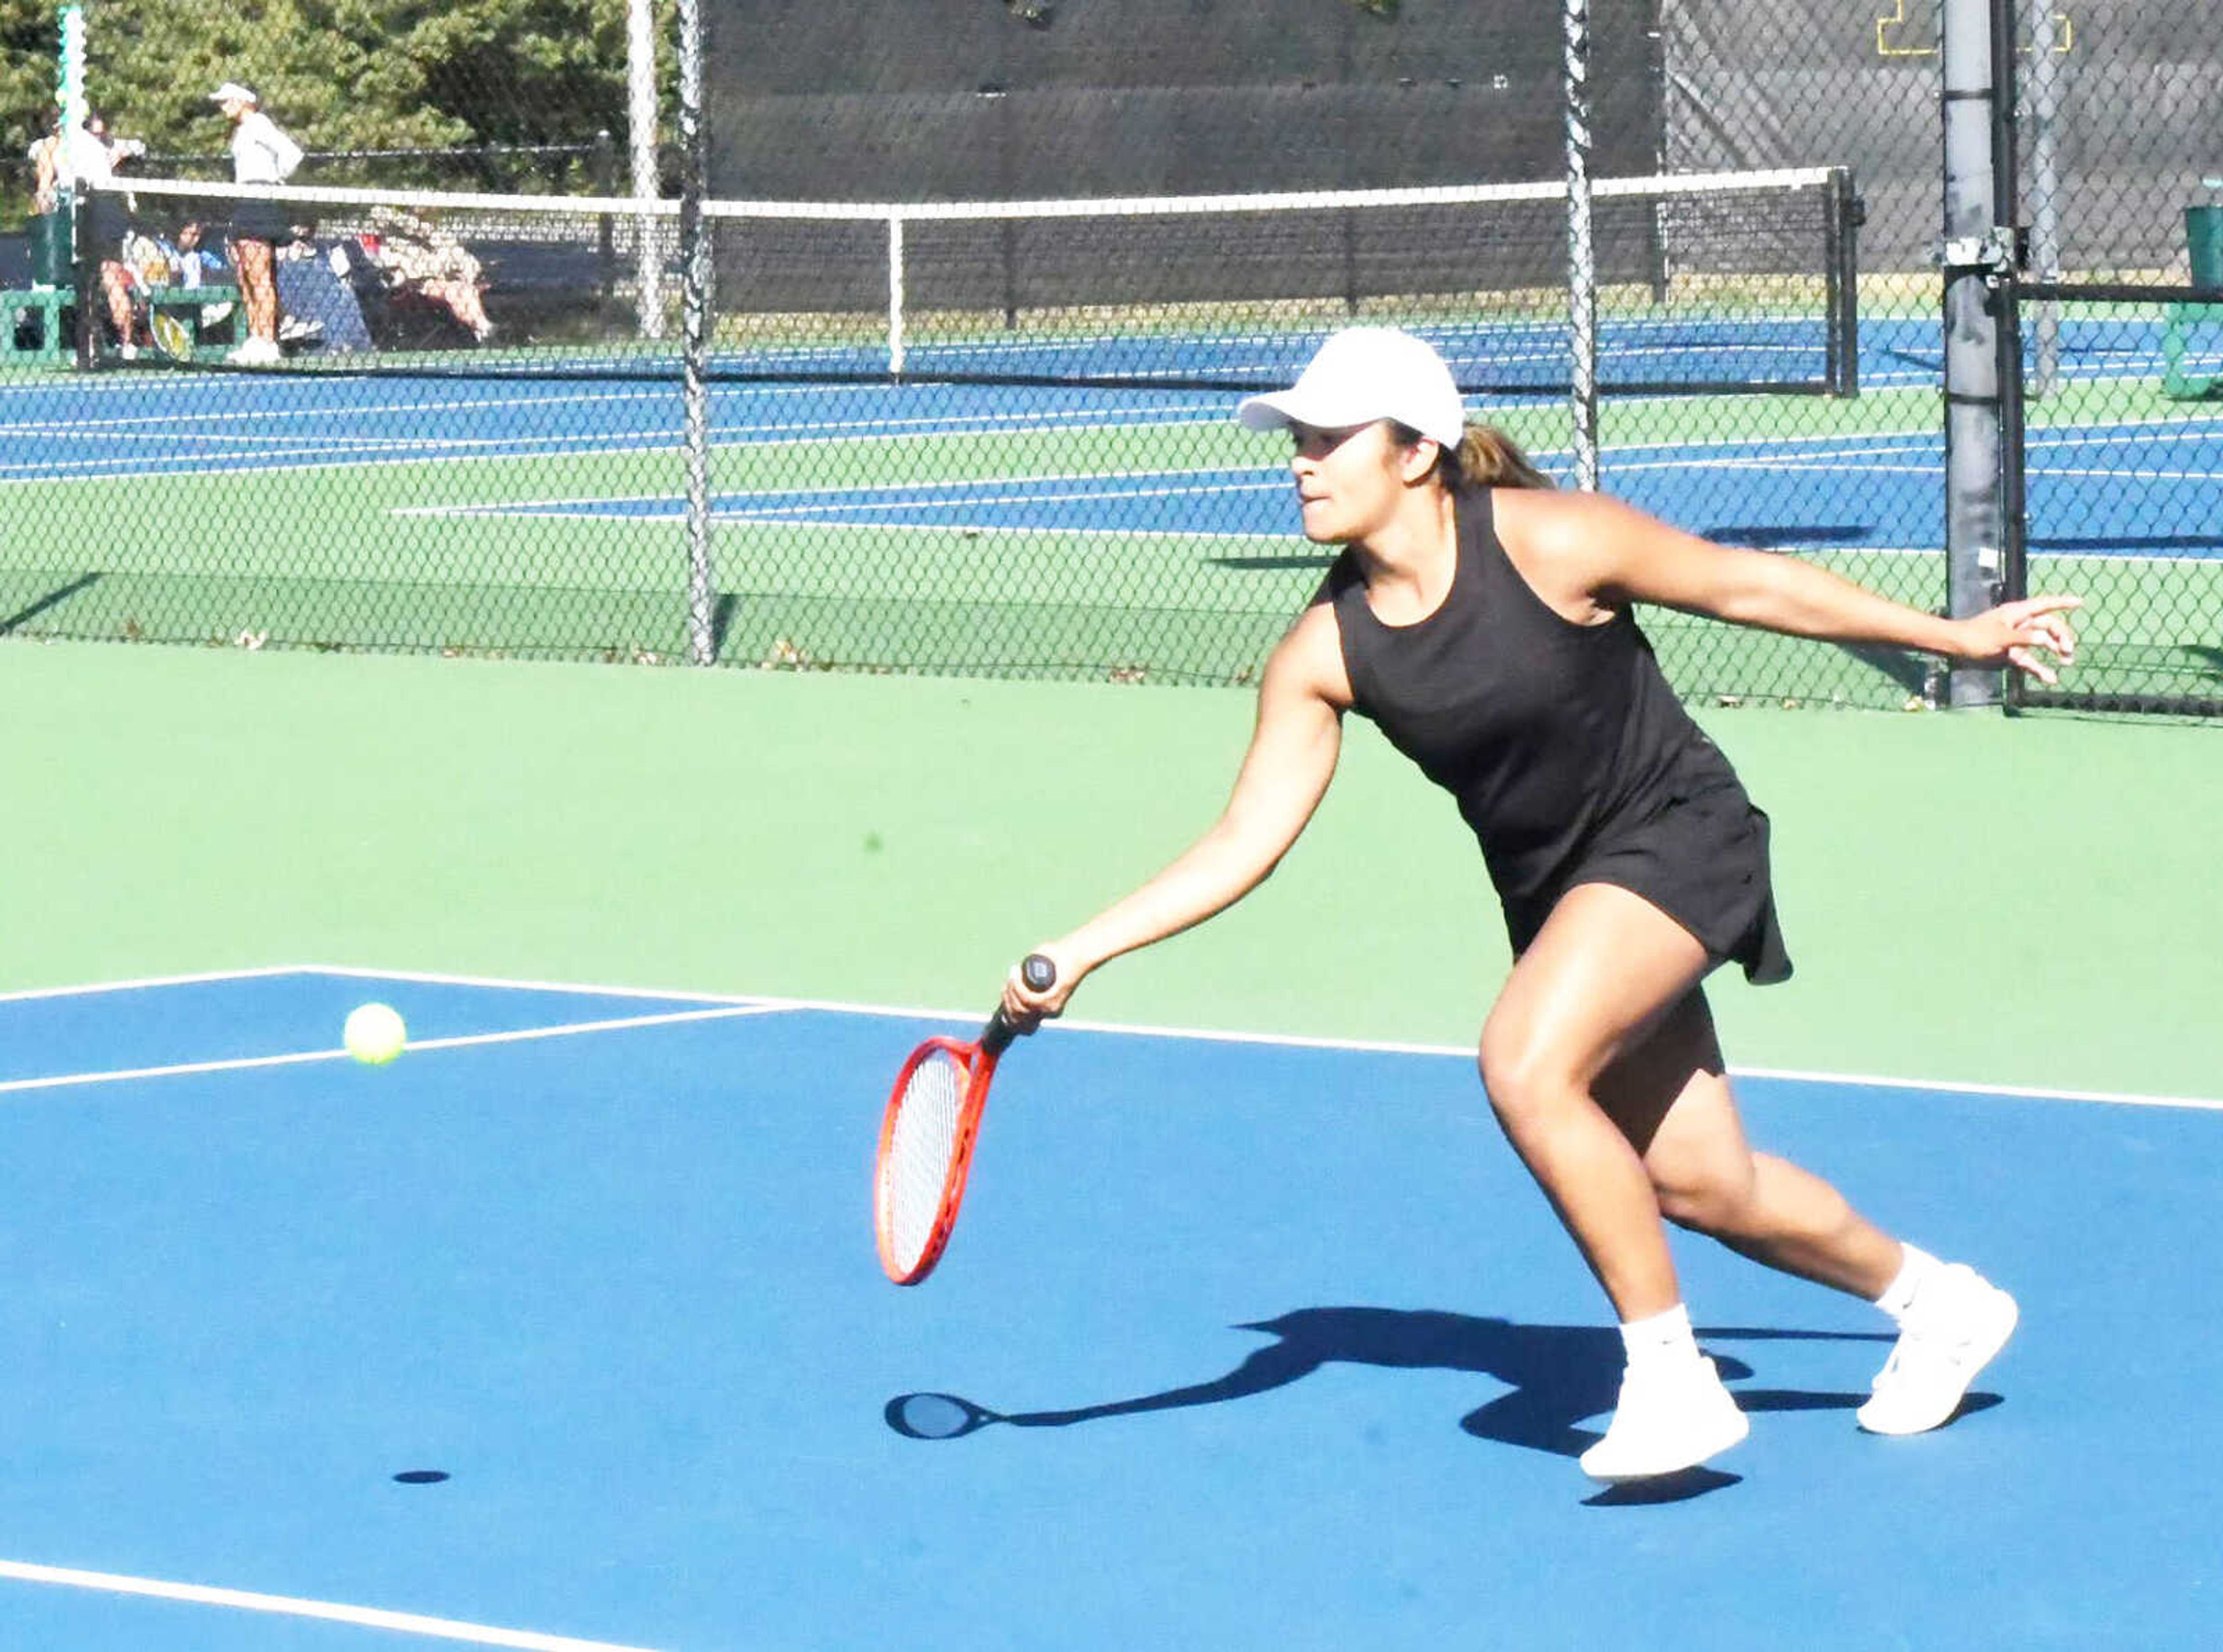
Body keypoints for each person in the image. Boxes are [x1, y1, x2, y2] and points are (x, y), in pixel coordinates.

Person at [997, 326, 2079, 1484]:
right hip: (1563, 899)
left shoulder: (1552, 540)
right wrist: (1081, 947)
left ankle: (1671, 1375)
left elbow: (1750, 584)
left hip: (1680, 836)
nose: (1302, 460)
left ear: (1417, 454)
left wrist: (1954, 637)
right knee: (1708, 1184)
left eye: (1330, 436)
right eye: (1298, 438)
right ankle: (1942, 1303)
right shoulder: (1324, 651)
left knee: (1522, 1058)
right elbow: (1243, 840)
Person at [25, 106, 143, 350]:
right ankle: (127, 345)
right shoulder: (95, 144)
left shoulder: (52, 147)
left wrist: (40, 228)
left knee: (86, 282)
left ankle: (88, 347)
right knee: (112, 278)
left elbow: (44, 191)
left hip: (84, 211)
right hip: (109, 210)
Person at [210, 80, 303, 366]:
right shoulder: (241, 131)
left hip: (261, 200)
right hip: (244, 200)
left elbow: (292, 153)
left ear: (242, 101)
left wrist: (275, 180)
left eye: (227, 100)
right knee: (244, 273)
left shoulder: (259, 123)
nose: (223, 106)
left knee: (259, 274)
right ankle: (255, 337)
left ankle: (268, 340)